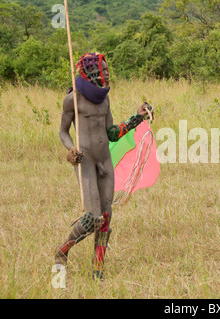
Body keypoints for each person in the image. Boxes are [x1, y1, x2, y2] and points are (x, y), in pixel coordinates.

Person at [54, 52, 152, 279]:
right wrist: (71, 149)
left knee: (106, 216)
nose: (107, 74)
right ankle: (62, 251)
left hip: (105, 160)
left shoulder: (104, 99)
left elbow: (112, 133)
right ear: (90, 72)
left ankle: (98, 267)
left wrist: (137, 117)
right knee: (92, 218)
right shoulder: (73, 99)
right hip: (85, 161)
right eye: (103, 70)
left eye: (107, 70)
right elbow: (62, 131)